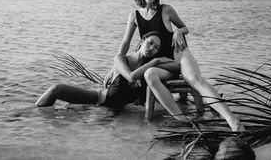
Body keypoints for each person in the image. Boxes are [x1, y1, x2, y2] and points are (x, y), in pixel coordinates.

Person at [115, 0, 245, 131]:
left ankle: (232, 120)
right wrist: (115, 68)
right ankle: (184, 122)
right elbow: (125, 43)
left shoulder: (166, 10)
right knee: (149, 74)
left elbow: (185, 28)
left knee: (194, 79)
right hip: (161, 63)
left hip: (178, 54)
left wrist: (177, 32)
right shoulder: (134, 16)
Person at [35, 31, 174, 109]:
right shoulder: (121, 59)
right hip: (97, 99)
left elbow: (177, 67)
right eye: (150, 43)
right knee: (56, 89)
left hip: (112, 108)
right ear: (142, 41)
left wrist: (159, 61)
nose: (152, 48)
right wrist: (156, 61)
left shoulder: (149, 71)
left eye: (156, 48)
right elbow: (131, 77)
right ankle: (33, 114)